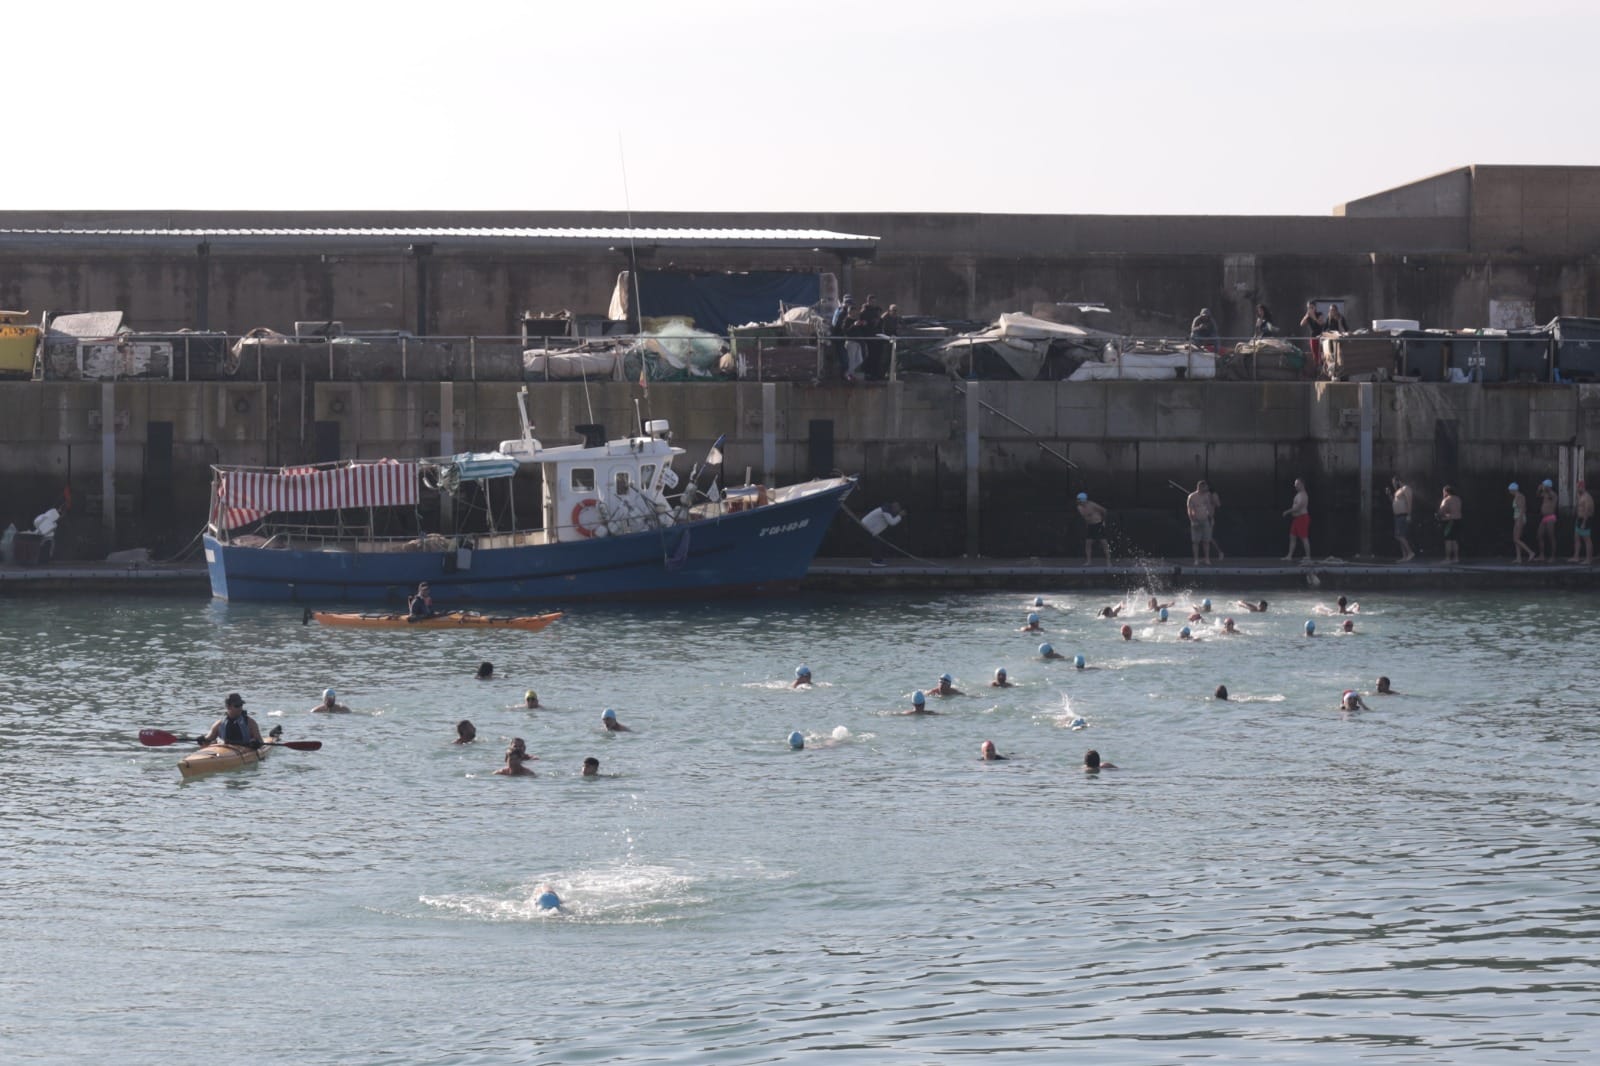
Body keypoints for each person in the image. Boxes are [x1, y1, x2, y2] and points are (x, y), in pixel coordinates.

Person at [861, 501, 904, 567]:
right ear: (894, 507)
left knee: (878, 542)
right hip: (867, 526)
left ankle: (877, 560)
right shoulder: (886, 510)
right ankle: (875, 561)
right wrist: (900, 516)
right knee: (877, 543)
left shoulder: (887, 510)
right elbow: (892, 523)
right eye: (898, 508)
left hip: (870, 527)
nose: (898, 510)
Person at [1187, 480, 1220, 565]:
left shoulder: (1207, 496)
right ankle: (1196, 560)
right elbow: (1190, 510)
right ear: (1200, 487)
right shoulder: (1192, 496)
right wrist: (1193, 520)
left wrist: (1211, 518)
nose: (1206, 488)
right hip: (1196, 521)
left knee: (1206, 541)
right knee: (1196, 541)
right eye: (1205, 487)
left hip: (1205, 520)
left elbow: (1210, 507)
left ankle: (1207, 559)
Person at [1076, 492, 1110, 566]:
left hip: (1098, 525)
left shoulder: (1092, 505)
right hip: (1091, 527)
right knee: (1088, 544)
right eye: (1077, 500)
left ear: (1083, 500)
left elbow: (1104, 510)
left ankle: (1108, 562)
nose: (1078, 501)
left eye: (1079, 500)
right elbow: (1086, 518)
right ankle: (1089, 561)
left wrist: (1103, 521)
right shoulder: (1079, 508)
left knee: (1104, 543)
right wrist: (1087, 525)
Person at [1282, 478, 1311, 561]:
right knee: (1292, 536)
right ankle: (1289, 556)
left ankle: (1308, 557)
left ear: (1302, 484)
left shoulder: (1303, 495)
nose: (1295, 486)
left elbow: (1298, 507)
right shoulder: (1299, 494)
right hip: (1296, 519)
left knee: (1304, 537)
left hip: (1302, 518)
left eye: (1297, 484)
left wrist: (1287, 512)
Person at [1389, 475, 1415, 562]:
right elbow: (1394, 501)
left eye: (1393, 482)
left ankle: (1410, 552)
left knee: (1400, 536)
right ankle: (1404, 556)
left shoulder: (1405, 488)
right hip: (1397, 516)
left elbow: (1409, 501)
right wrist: (1389, 494)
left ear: (1398, 481)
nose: (1393, 484)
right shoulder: (1398, 491)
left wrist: (1409, 515)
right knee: (1400, 536)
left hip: (1403, 515)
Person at [830, 296, 854, 382]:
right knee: (844, 358)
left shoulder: (838, 310)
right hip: (838, 337)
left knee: (841, 357)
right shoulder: (842, 313)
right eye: (848, 303)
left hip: (837, 337)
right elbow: (837, 326)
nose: (849, 305)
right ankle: (844, 376)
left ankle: (843, 375)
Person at [1509, 482, 1533, 563]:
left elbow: (1523, 509)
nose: (1509, 492)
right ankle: (1519, 558)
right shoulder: (1516, 496)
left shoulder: (1520, 496)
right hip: (1517, 519)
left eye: (1510, 490)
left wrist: (1519, 520)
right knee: (1515, 538)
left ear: (1513, 490)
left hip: (1520, 519)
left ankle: (1531, 552)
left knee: (1516, 539)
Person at [1438, 485, 1463, 564]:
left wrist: (1442, 515)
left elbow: (1441, 511)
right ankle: (1456, 558)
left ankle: (1448, 558)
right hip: (1458, 520)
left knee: (1448, 540)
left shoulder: (1446, 499)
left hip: (1449, 522)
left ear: (1446, 491)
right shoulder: (1458, 499)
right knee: (1455, 540)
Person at [1571, 480, 1594, 564]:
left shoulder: (1587, 497)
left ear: (1582, 487)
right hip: (1579, 519)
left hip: (1585, 520)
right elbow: (1579, 508)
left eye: (1578, 487)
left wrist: (1584, 522)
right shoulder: (1581, 496)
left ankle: (1589, 559)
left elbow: (1588, 511)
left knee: (1587, 540)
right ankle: (1576, 557)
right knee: (1576, 538)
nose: (1577, 489)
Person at [1536, 479, 1558, 561]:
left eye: (1544, 485)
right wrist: (1539, 489)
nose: (1543, 487)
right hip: (1544, 518)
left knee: (1551, 537)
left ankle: (1553, 556)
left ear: (1548, 486)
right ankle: (1542, 555)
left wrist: (1546, 489)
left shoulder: (1553, 494)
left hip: (1551, 517)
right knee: (1539, 535)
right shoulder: (1545, 493)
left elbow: (1550, 496)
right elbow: (1538, 495)